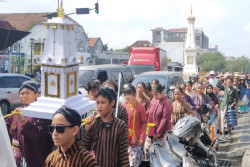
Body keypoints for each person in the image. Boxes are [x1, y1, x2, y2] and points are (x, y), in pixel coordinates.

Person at [6, 80, 53, 167]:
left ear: (36, 94)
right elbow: (7, 135)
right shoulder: (15, 113)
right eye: (22, 93)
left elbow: (40, 136)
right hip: (16, 159)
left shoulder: (42, 113)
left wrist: (24, 121)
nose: (24, 96)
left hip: (35, 158)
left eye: (27, 93)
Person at [81, 87, 129, 167]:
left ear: (112, 103)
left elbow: (123, 155)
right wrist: (87, 129)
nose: (99, 106)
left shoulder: (120, 126)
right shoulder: (93, 123)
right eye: (97, 103)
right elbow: (84, 148)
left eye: (103, 103)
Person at [142, 84, 173, 163]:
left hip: (162, 133)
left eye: (156, 94)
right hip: (151, 129)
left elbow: (164, 119)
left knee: (159, 154)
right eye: (154, 95)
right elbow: (150, 112)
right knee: (146, 150)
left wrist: (158, 133)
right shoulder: (154, 100)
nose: (155, 96)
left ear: (162, 92)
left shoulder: (167, 103)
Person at [123, 84, 147, 167]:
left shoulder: (141, 107)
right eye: (125, 95)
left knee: (133, 163)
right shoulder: (123, 106)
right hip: (125, 140)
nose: (127, 97)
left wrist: (142, 137)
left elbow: (144, 122)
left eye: (129, 94)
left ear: (134, 94)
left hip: (137, 140)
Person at [206, 84, 220, 149]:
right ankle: (208, 143)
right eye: (208, 88)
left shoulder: (214, 96)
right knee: (207, 129)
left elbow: (218, 102)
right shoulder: (204, 96)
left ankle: (215, 143)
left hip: (213, 114)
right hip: (206, 115)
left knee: (214, 128)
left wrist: (217, 105)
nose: (209, 89)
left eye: (210, 88)